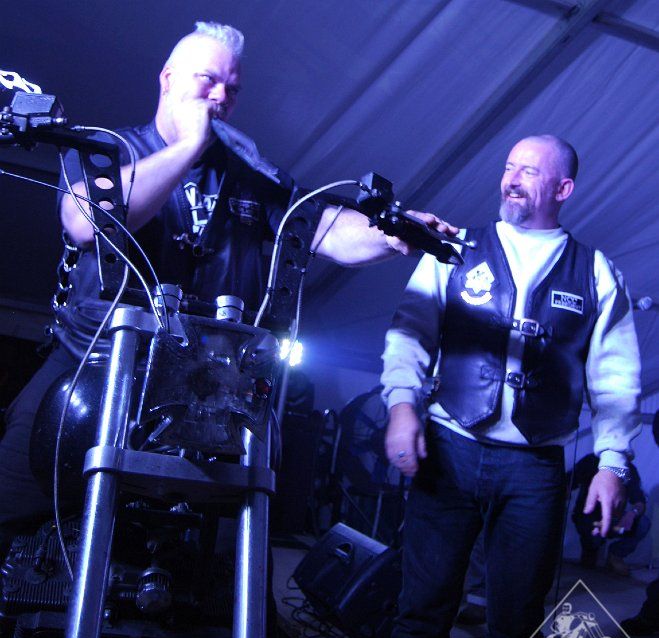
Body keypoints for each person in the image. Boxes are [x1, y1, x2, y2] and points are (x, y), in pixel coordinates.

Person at [0, 21, 450, 552]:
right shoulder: (110, 148)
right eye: (208, 80)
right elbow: (86, 223)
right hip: (89, 365)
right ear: (168, 78)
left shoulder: (248, 172)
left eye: (232, 89)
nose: (221, 97)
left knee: (201, 545)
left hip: (199, 384)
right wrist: (188, 147)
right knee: (13, 501)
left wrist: (392, 233)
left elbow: (326, 229)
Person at [379, 134, 642, 638]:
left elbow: (616, 378)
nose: (513, 179)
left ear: (563, 188)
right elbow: (409, 333)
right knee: (421, 612)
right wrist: (401, 406)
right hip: (449, 450)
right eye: (509, 167)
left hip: (536, 470)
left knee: (518, 629)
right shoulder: (453, 249)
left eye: (530, 171)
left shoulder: (596, 272)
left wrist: (612, 463)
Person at [571, 453, 649, 575]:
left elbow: (639, 501)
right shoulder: (591, 461)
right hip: (590, 518)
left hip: (615, 520)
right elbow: (569, 482)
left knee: (643, 523)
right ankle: (590, 549)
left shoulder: (628, 469)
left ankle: (615, 555)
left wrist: (632, 514)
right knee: (588, 563)